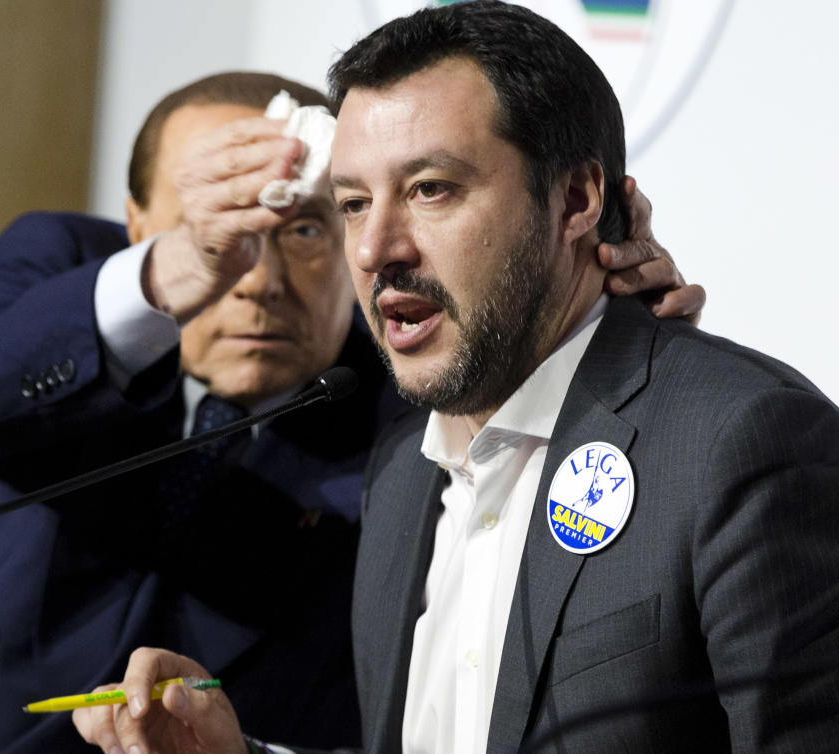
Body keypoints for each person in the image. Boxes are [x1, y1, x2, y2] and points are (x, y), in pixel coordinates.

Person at [74, 4, 839, 754]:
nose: (375, 248)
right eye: (351, 203)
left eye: (430, 189)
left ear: (577, 199)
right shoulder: (402, 472)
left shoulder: (744, 443)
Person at [0, 65, 697, 753]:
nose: (259, 279)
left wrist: (601, 338)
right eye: (221, 225)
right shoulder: (64, 271)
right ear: (138, 227)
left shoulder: (417, 408)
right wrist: (170, 273)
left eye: (306, 229)